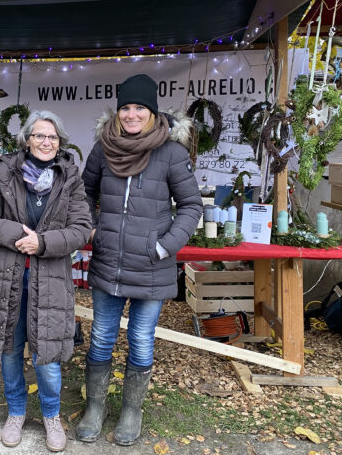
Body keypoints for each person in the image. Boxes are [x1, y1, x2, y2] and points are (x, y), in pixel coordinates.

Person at [77, 74, 202, 446]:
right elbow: (84, 191)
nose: (132, 115)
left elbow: (191, 206)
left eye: (140, 108)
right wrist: (92, 229)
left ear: (152, 112)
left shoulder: (172, 153)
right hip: (109, 262)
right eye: (126, 108)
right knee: (100, 337)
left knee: (141, 339)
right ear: (118, 113)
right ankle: (95, 407)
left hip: (151, 266)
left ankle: (131, 410)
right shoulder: (103, 148)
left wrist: (164, 246)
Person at [0, 110, 92, 452]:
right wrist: (15, 235)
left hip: (50, 279)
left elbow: (82, 228)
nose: (45, 142)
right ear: (27, 140)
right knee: (10, 351)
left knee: (48, 355)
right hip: (8, 278)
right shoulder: (6, 171)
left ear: (60, 143)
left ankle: (52, 416)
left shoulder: (70, 178)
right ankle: (16, 412)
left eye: (52, 137)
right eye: (39, 135)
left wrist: (43, 243)